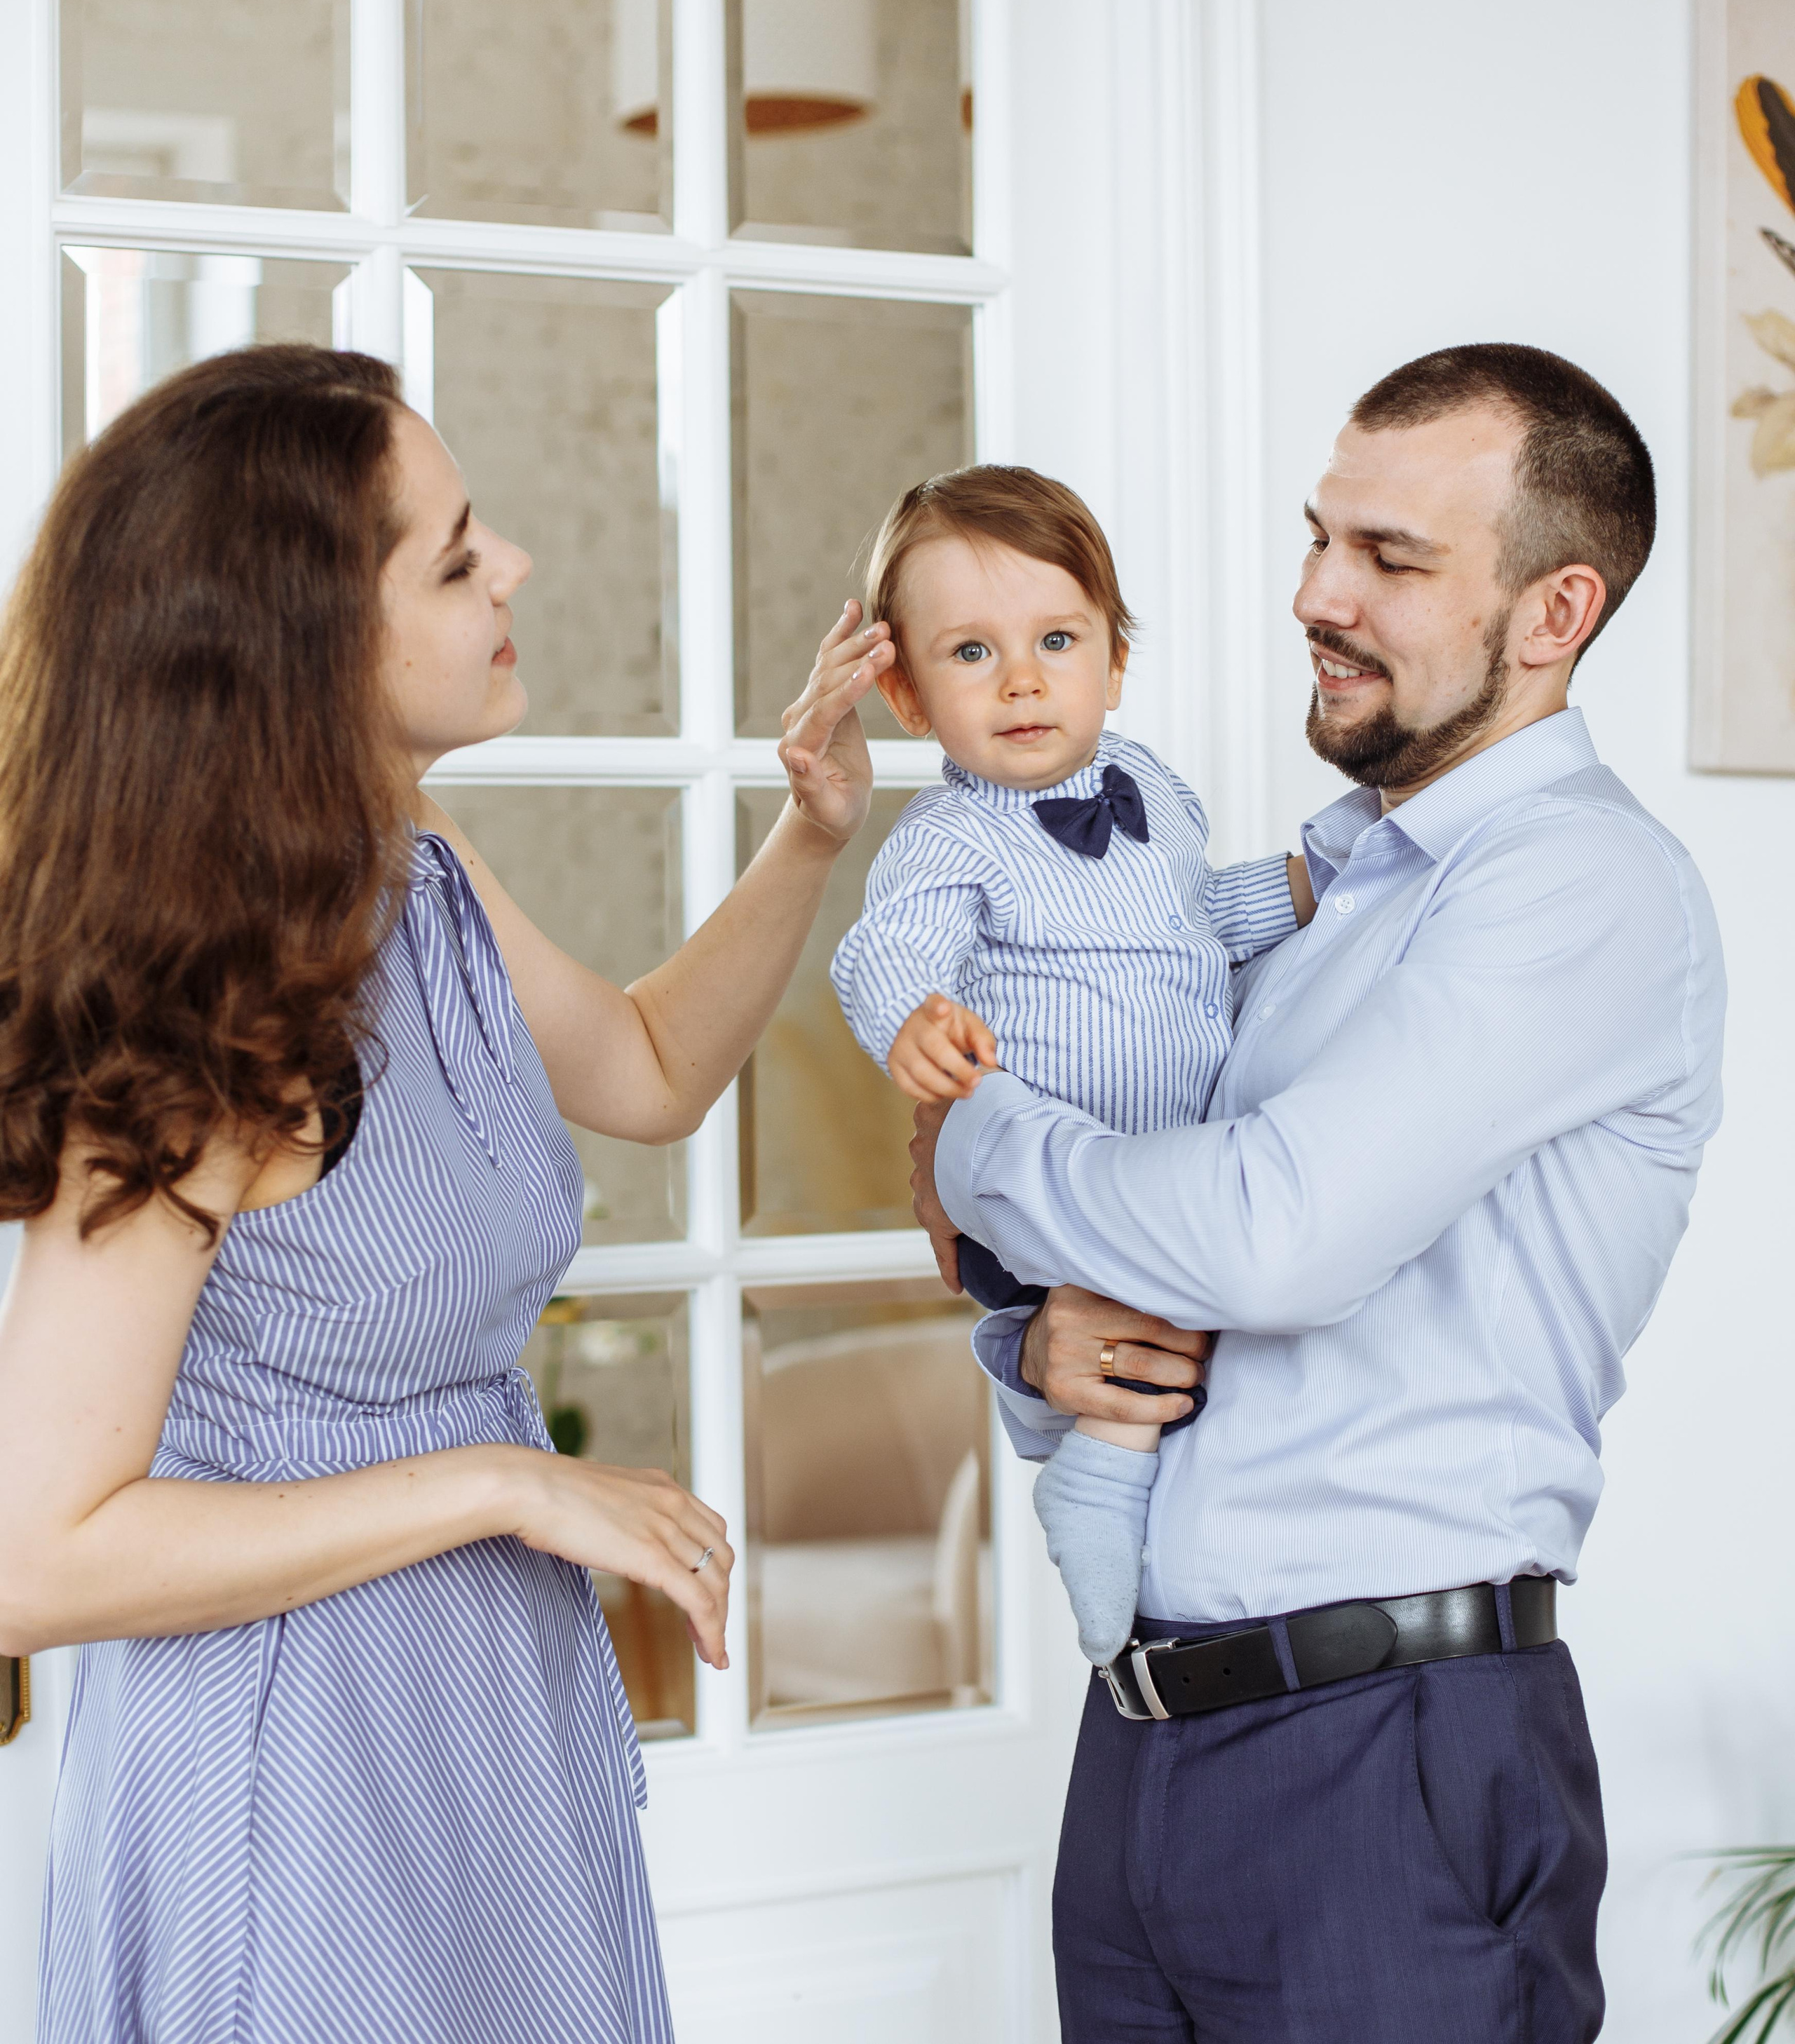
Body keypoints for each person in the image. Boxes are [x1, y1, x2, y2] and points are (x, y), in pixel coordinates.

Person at [0, 344, 886, 2044]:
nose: (516, 570)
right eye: (458, 553)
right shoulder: (196, 1027)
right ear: (309, 639)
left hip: (482, 1705)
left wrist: (809, 836)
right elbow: (37, 1554)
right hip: (298, 1759)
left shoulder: (424, 886)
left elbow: (643, 1068)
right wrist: (500, 1478)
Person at [906, 345, 1726, 2040]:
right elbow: (1150, 1255)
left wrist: (971, 1140)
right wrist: (1041, 1344)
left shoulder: (1577, 881)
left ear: (1552, 610)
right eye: (1316, 538)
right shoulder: (1320, 894)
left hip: (1388, 1765)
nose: (1313, 595)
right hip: (1149, 1746)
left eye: (1389, 559)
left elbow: (1259, 1234)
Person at [829, 465, 1313, 1665]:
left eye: (1056, 638)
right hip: (1047, 1164)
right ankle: (1094, 1481)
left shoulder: (1155, 789)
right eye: (973, 655)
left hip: (1160, 1149)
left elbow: (1198, 917)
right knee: (1149, 1297)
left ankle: (1106, 1465)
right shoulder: (950, 837)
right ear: (903, 692)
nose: (1027, 679)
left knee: (1193, 1294)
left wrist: (1310, 883)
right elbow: (881, 950)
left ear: (1116, 655)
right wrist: (914, 1023)